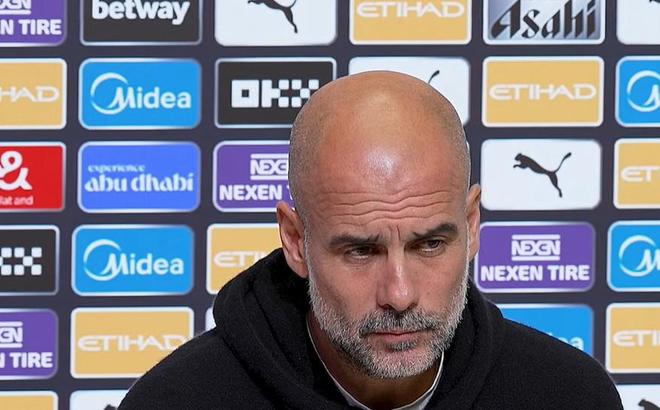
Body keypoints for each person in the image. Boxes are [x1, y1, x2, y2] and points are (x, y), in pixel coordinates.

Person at [119, 71, 622, 409]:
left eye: (429, 245)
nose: (399, 295)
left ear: (471, 226)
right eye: (361, 251)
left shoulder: (570, 396)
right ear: (295, 241)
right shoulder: (176, 401)